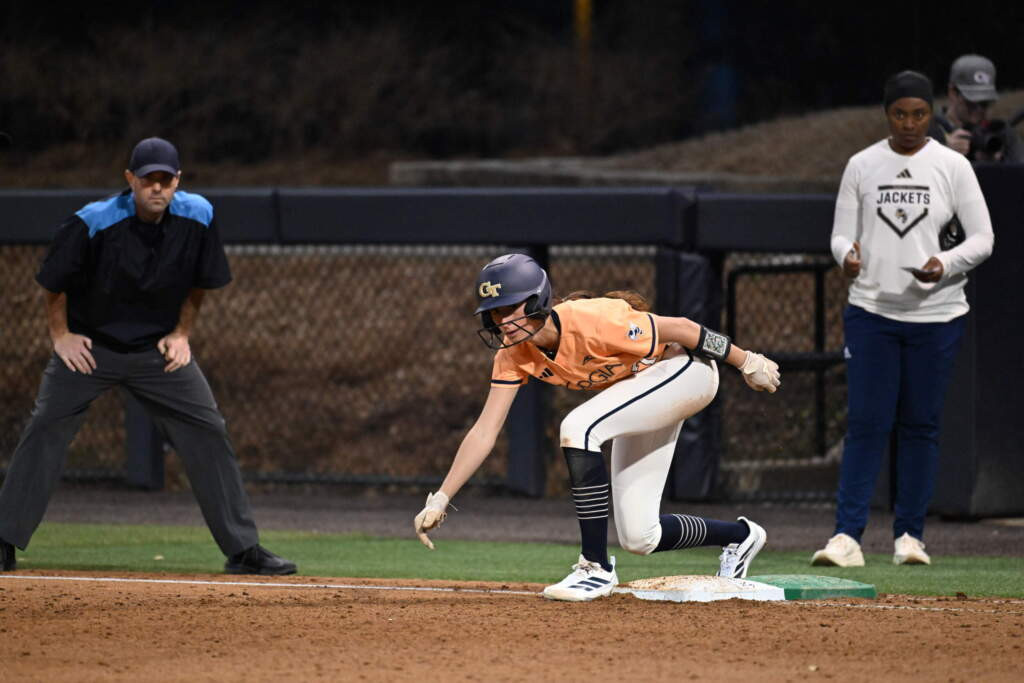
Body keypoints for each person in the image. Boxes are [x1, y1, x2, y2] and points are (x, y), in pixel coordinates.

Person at [0, 137, 296, 576]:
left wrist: (182, 333)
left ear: (178, 181)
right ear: (130, 180)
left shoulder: (198, 215)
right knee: (45, 426)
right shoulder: (93, 221)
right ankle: (3, 540)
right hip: (91, 350)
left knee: (208, 429)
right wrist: (61, 337)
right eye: (147, 179)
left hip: (157, 352)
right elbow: (54, 283)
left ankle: (243, 549)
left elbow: (200, 281)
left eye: (165, 179)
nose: (157, 187)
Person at [413, 253, 780, 601]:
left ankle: (595, 566)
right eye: (494, 313)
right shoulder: (512, 354)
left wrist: (746, 360)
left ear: (538, 300)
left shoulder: (591, 320)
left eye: (510, 308)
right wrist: (441, 498)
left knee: (579, 426)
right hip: (646, 391)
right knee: (640, 536)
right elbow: (484, 431)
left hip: (686, 371)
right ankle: (740, 536)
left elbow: (683, 329)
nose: (503, 322)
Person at [813, 71, 994, 568]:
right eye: (900, 114)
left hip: (937, 315)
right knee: (867, 423)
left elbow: (983, 238)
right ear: (886, 113)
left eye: (919, 114)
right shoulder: (862, 165)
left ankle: (910, 537)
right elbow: (840, 235)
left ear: (931, 113)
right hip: (872, 311)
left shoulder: (953, 166)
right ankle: (846, 537)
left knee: (920, 424)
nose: (910, 123)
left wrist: (945, 263)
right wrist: (846, 256)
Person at [927, 54, 1023, 163]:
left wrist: (998, 163)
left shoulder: (1002, 134)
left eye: (984, 104)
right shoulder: (928, 130)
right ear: (953, 93)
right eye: (971, 103)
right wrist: (944, 151)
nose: (979, 111)